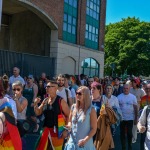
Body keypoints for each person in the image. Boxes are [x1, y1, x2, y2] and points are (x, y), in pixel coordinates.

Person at [34, 80, 70, 150]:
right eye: (46, 86)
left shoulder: (61, 101)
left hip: (57, 133)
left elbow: (69, 115)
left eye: (48, 86)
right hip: (46, 131)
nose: (46, 88)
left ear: (55, 88)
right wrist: (35, 104)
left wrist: (66, 130)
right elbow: (38, 112)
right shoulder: (45, 100)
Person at [0, 78, 22, 150]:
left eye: (18, 89)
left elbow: (14, 119)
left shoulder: (8, 102)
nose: (15, 91)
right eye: (14, 89)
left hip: (6, 140)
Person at [118, 84, 138, 150]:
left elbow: (135, 108)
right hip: (122, 118)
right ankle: (123, 147)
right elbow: (117, 108)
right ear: (123, 89)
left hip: (130, 118)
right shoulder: (119, 97)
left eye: (127, 88)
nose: (125, 89)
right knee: (122, 133)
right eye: (124, 88)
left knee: (129, 133)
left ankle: (130, 146)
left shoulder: (133, 97)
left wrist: (136, 118)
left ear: (129, 89)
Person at [130, 77, 145, 143]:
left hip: (138, 110)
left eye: (134, 82)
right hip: (129, 110)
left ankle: (134, 138)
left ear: (137, 83)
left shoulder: (141, 91)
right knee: (130, 124)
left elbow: (144, 100)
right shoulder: (130, 90)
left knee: (135, 125)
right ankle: (130, 136)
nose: (133, 83)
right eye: (132, 82)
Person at [139, 84, 150, 150]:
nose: (148, 90)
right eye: (146, 88)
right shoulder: (143, 98)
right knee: (142, 140)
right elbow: (140, 109)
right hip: (144, 121)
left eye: (149, 88)